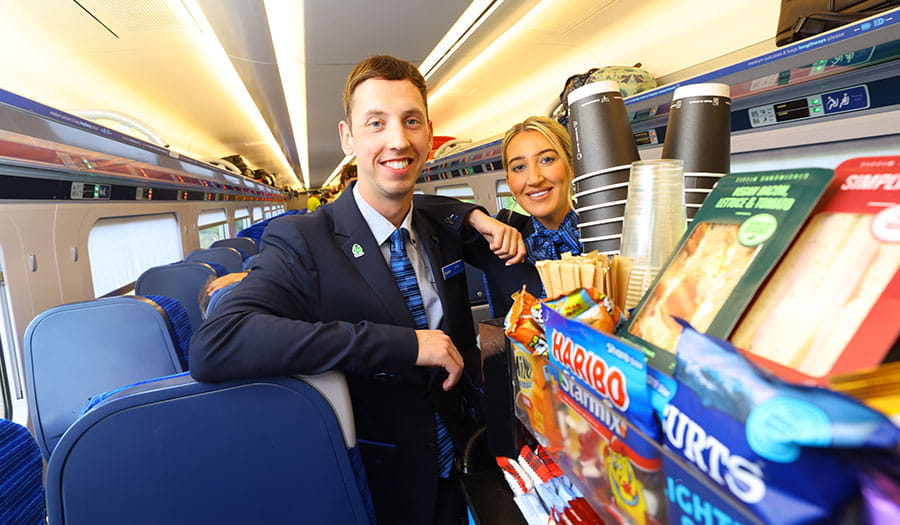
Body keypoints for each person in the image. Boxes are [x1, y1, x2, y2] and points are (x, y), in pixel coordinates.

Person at [190, 55, 525, 525]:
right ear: (348, 137)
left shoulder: (441, 226)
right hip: (377, 483)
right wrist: (404, 345)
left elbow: (438, 205)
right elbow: (218, 343)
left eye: (411, 122)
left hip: (463, 464)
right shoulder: (303, 240)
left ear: (429, 134)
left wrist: (470, 213)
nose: (398, 140)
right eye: (376, 123)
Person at [465, 116, 581, 316]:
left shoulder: (608, 230)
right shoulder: (497, 241)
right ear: (509, 183)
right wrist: (476, 217)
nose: (534, 179)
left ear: (571, 167)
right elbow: (418, 206)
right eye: (519, 167)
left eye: (547, 160)